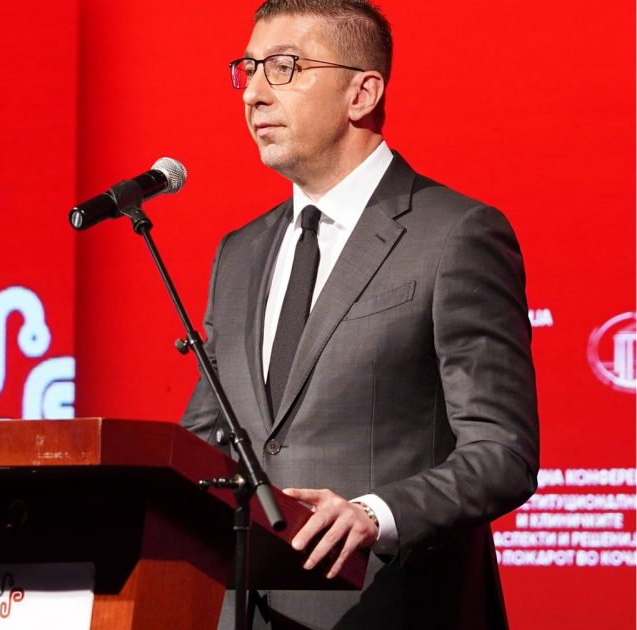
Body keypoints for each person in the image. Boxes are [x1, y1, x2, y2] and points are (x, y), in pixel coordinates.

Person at [180, 1, 539, 628]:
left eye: (284, 67)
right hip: (244, 612)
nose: (255, 93)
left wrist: (376, 514)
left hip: (394, 605)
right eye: (248, 69)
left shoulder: (453, 234)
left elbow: (502, 450)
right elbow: (203, 441)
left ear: (362, 93)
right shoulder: (238, 254)